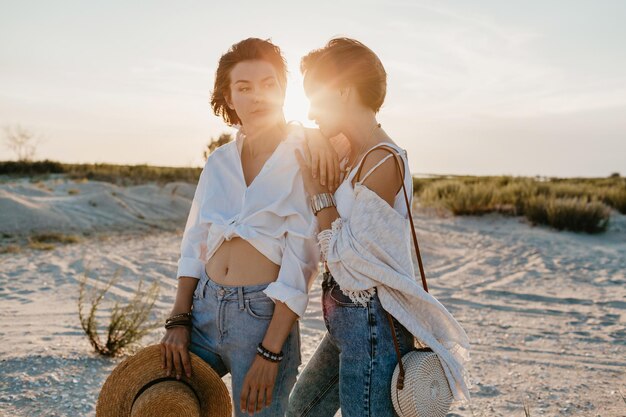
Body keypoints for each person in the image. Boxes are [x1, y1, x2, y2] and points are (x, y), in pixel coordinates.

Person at [287, 37, 472, 417]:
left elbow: (348, 259)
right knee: (301, 410)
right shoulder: (350, 153)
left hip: (371, 322)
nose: (310, 111)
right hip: (346, 320)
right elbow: (283, 136)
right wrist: (310, 135)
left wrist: (320, 193)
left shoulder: (384, 161)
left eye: (315, 97)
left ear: (342, 90)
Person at [159, 37, 338, 416]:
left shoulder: (304, 157)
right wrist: (178, 319)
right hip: (203, 310)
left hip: (261, 320)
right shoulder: (219, 161)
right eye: (244, 87)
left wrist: (271, 351)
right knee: (164, 401)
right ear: (228, 97)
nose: (257, 96)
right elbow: (195, 241)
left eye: (268, 84)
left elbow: (300, 264)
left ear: (283, 92)